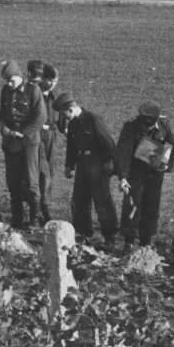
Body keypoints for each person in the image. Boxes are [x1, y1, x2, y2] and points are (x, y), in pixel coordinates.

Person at [53, 92, 119, 246]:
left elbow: (108, 143)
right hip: (83, 163)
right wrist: (69, 165)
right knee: (79, 199)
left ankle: (110, 236)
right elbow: (72, 146)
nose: (63, 117)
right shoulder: (73, 124)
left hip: (98, 163)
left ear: (71, 109)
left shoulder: (93, 119)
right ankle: (83, 234)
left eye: (64, 114)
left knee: (102, 200)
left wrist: (109, 162)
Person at [115, 100, 174, 250]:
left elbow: (173, 146)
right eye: (145, 124)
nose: (148, 127)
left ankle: (146, 240)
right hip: (135, 174)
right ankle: (129, 240)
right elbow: (123, 152)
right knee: (132, 206)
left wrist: (168, 164)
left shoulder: (164, 125)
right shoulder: (131, 126)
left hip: (154, 175)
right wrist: (123, 177)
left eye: (151, 124)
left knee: (151, 206)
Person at [0, 60, 45, 229]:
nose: (9, 84)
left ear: (19, 76)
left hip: (28, 142)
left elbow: (40, 116)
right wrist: (3, 127)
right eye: (7, 81)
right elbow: (1, 114)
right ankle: (17, 217)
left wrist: (24, 133)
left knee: (31, 181)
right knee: (13, 180)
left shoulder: (33, 90)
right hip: (11, 141)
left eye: (12, 80)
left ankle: (35, 218)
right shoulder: (5, 90)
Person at [27, 60, 59, 224]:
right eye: (49, 80)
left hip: (51, 136)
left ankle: (44, 206)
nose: (52, 84)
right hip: (38, 135)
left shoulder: (53, 96)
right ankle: (43, 210)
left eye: (55, 81)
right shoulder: (35, 93)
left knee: (49, 172)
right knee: (42, 172)